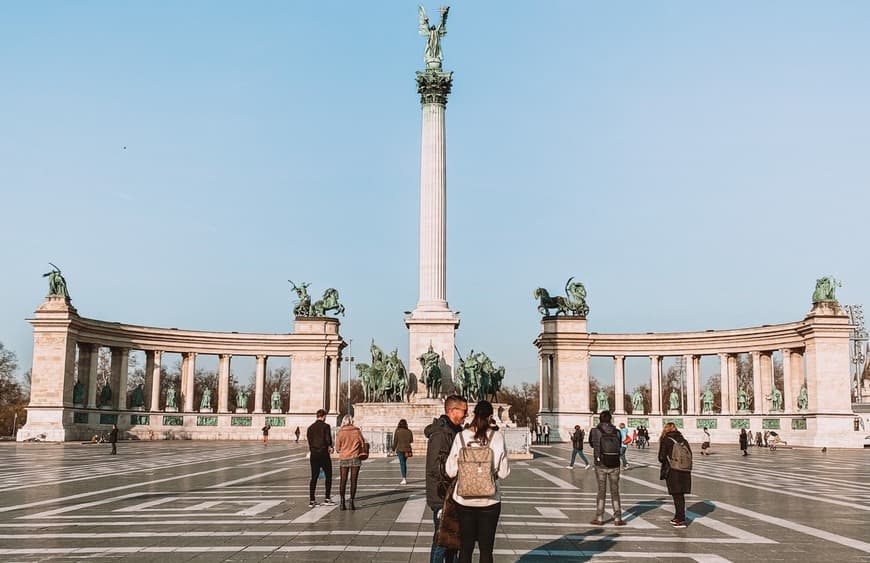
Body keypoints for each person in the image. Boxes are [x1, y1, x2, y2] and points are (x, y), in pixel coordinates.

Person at [445, 400, 509, 563]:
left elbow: (450, 471)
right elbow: (503, 472)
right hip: (490, 500)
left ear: (473, 415)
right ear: (490, 417)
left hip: (464, 500)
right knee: (486, 550)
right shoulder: (497, 437)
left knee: (465, 548)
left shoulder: (461, 436)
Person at [425, 394, 467, 563]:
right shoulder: (441, 434)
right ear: (451, 411)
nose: (466, 415)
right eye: (463, 411)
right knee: (442, 541)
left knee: (453, 542)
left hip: (452, 495)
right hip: (443, 496)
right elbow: (436, 469)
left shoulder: (455, 431)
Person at [588, 410, 625, 526]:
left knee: (601, 491)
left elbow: (591, 444)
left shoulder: (594, 431)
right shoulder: (617, 431)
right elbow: (619, 445)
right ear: (610, 419)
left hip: (600, 464)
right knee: (615, 491)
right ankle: (618, 518)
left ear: (600, 418)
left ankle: (599, 518)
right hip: (615, 464)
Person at [658, 422, 692, 528]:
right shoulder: (683, 440)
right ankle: (678, 516)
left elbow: (661, 457)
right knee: (680, 495)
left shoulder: (666, 440)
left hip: (673, 470)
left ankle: (681, 519)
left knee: (676, 495)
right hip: (685, 470)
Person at [335, 416, 367, 511]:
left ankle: (342, 502)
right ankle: (352, 502)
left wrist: (343, 449)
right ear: (351, 421)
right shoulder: (357, 431)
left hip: (344, 457)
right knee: (354, 480)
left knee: (343, 480)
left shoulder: (340, 433)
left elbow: (337, 448)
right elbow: (362, 443)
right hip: (355, 457)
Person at [306, 409, 335, 508]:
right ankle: (327, 498)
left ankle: (312, 499)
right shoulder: (326, 426)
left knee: (314, 477)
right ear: (324, 416)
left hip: (314, 454)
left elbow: (309, 441)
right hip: (323, 454)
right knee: (328, 475)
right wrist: (330, 446)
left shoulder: (310, 428)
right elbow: (327, 439)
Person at [393, 419, 414, 485]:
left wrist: (393, 448)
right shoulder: (409, 431)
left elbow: (395, 441)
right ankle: (404, 477)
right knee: (404, 463)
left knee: (402, 463)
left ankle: (404, 478)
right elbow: (411, 440)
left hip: (400, 449)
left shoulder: (397, 431)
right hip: (407, 449)